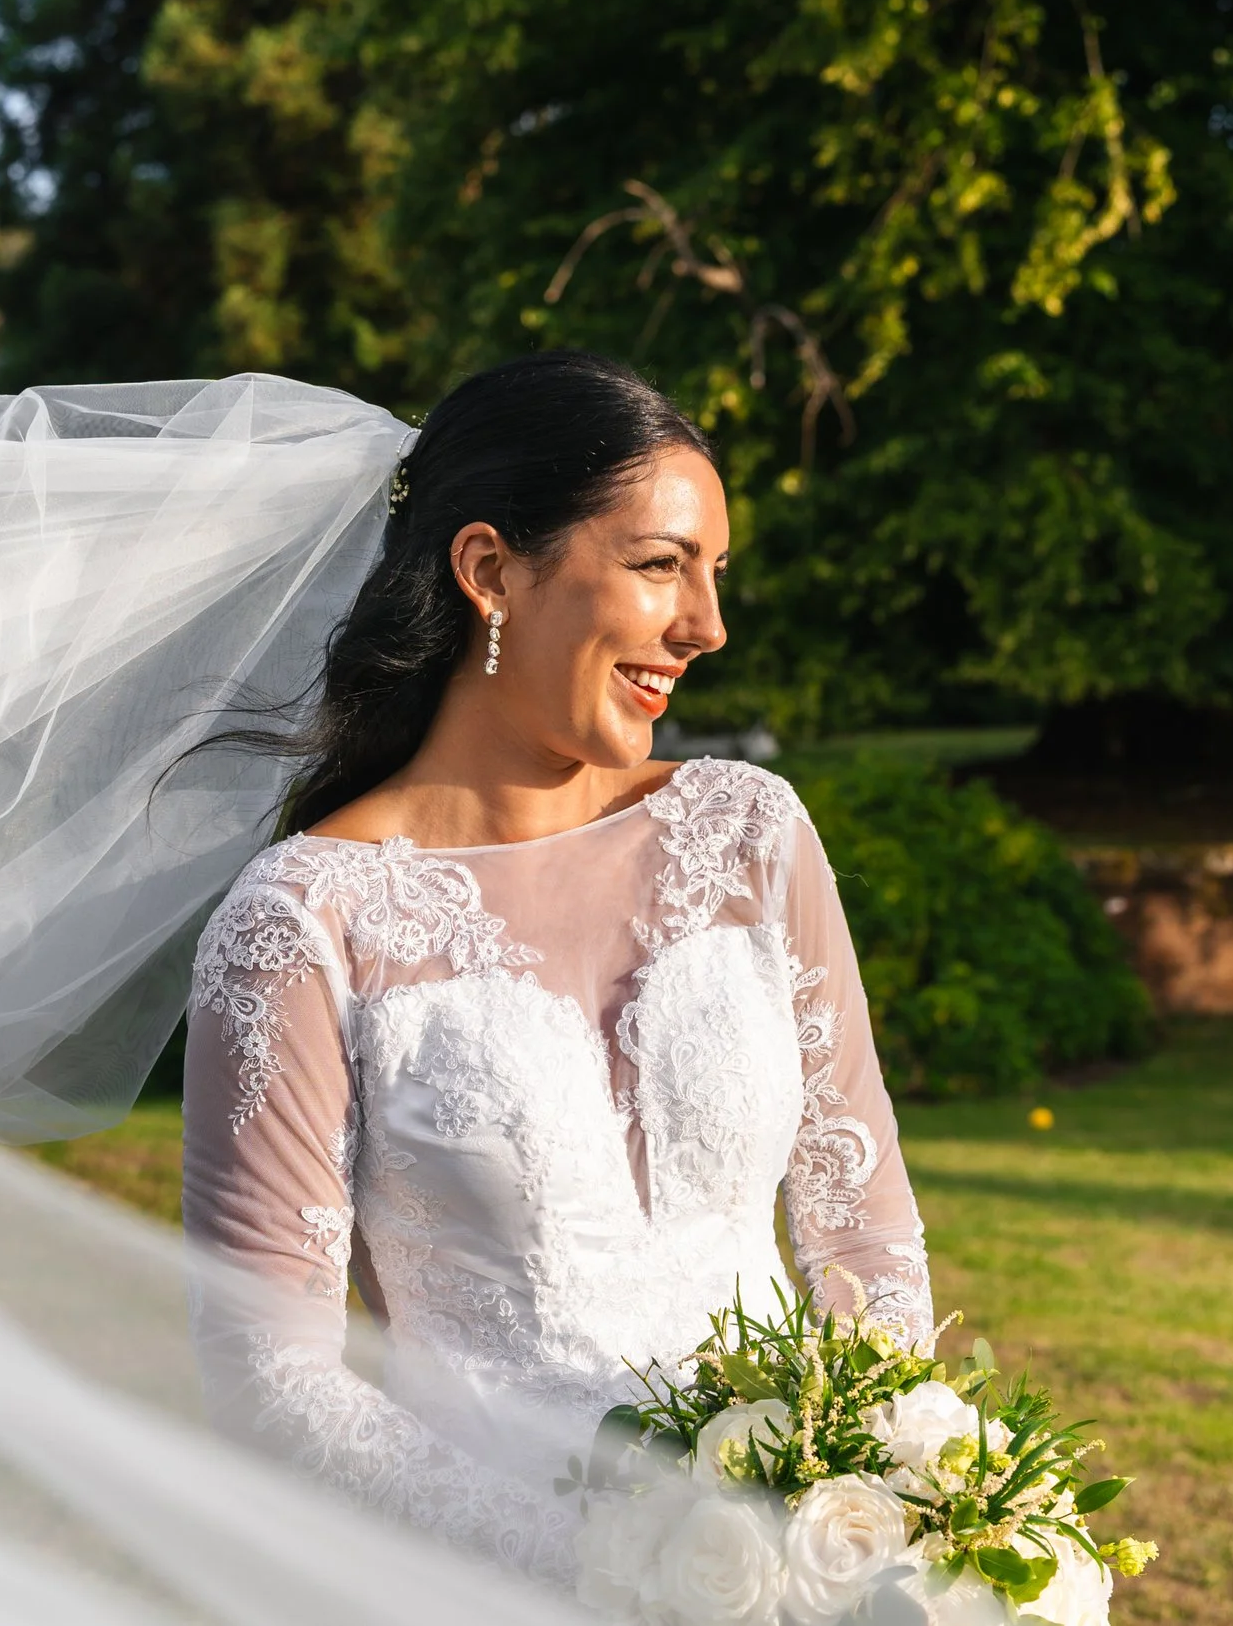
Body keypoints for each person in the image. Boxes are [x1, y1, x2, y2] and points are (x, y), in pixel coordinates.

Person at [176, 352, 934, 1582]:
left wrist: (873, 1501)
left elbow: (864, 1238)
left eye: (715, 573)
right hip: (495, 1577)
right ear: (488, 570)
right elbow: (271, 1378)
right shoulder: (303, 922)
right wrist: (623, 1562)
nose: (708, 625)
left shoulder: (749, 831)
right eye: (658, 564)